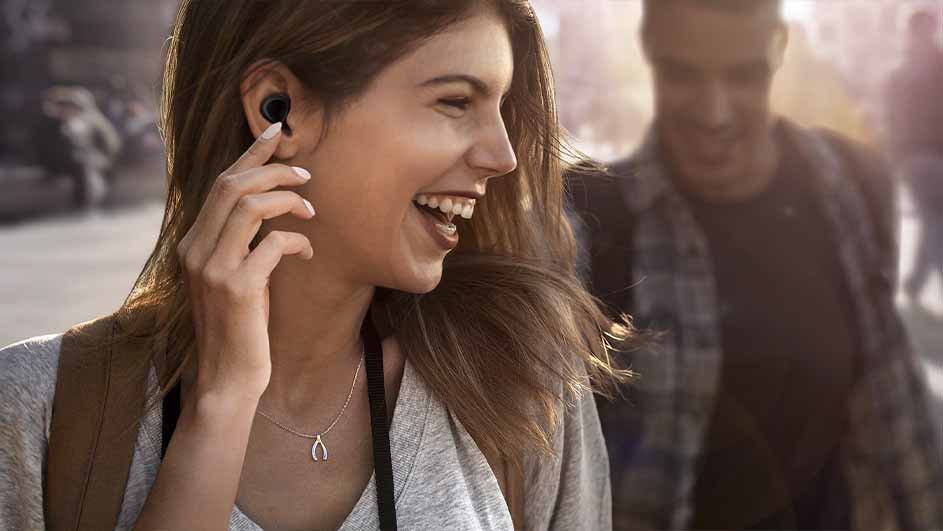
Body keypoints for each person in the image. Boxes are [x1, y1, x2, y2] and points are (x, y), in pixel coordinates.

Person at [0, 1, 633, 529]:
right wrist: (219, 408)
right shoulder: (36, 413)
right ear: (281, 108)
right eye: (455, 101)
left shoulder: (525, 391)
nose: (503, 156)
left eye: (500, 107)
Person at [568, 0, 943, 529]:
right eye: (682, 75)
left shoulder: (851, 185)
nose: (714, 112)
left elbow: (891, 401)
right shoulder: (592, 218)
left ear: (780, 50)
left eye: (744, 77)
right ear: (649, 51)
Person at [885, 9, 943, 305]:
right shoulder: (938, 65)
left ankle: (914, 284)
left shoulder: (898, 72)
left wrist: (894, 159)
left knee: (933, 218)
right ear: (931, 29)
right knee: (937, 219)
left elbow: (890, 120)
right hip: (933, 153)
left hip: (909, 158)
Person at [37, 85, 123, 209]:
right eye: (64, 107)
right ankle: (86, 201)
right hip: (69, 162)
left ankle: (91, 201)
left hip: (94, 160)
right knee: (84, 167)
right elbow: (49, 149)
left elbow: (109, 144)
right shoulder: (53, 125)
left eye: (71, 107)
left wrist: (103, 158)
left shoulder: (94, 122)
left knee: (88, 167)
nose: (67, 111)